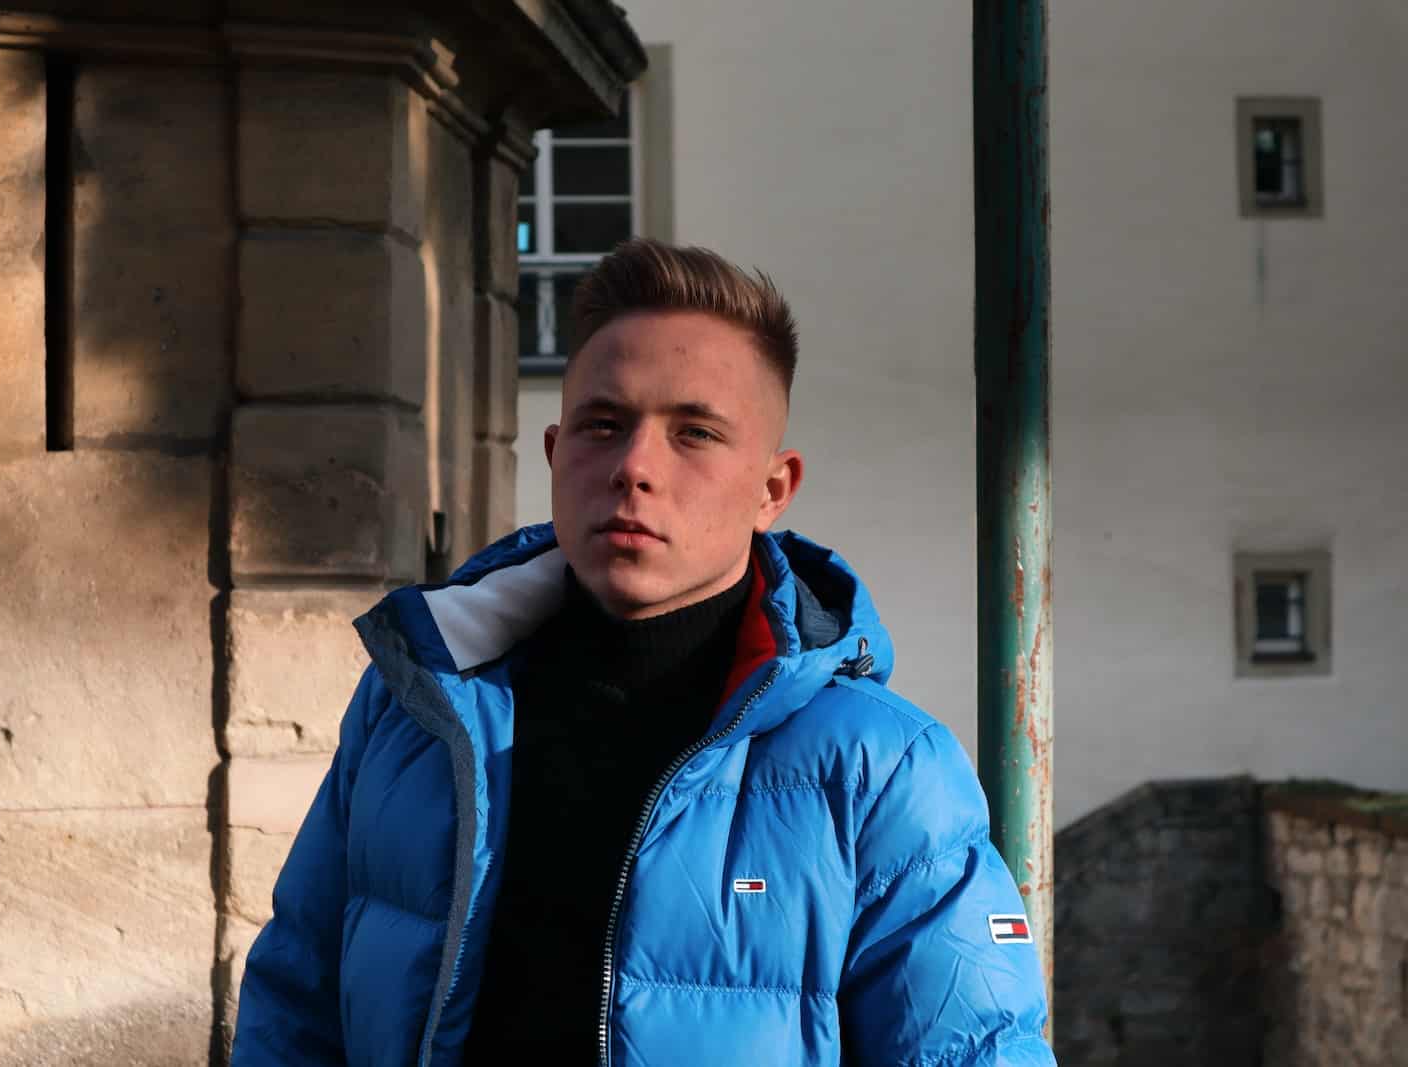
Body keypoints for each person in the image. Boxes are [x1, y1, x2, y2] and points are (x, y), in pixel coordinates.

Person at [231, 239, 1057, 1066]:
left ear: (773, 489)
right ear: (556, 455)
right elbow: (294, 1009)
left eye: (694, 432)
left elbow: (976, 1050)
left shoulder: (879, 768)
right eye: (604, 424)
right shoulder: (412, 708)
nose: (634, 467)